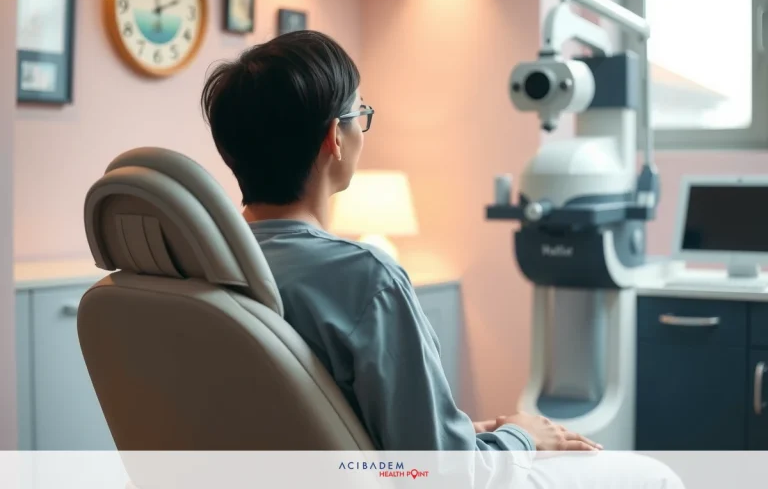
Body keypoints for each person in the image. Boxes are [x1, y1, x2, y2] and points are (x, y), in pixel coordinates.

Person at [201, 30, 683, 487]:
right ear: (336, 138)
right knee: (657, 476)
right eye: (360, 113)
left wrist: (463, 434)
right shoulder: (365, 279)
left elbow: (331, 428)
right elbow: (445, 477)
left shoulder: (208, 269)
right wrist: (521, 437)